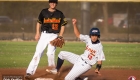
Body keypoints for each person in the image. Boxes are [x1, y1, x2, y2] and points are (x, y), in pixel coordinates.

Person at [25, 0, 67, 78]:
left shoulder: (60, 14)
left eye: (54, 2)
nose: (53, 3)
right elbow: (38, 22)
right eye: (51, 2)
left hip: (54, 36)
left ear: (56, 4)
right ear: (49, 3)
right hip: (44, 35)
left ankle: (52, 70)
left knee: (50, 53)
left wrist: (60, 35)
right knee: (38, 53)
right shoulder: (43, 12)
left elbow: (63, 24)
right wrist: (37, 33)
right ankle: (29, 72)